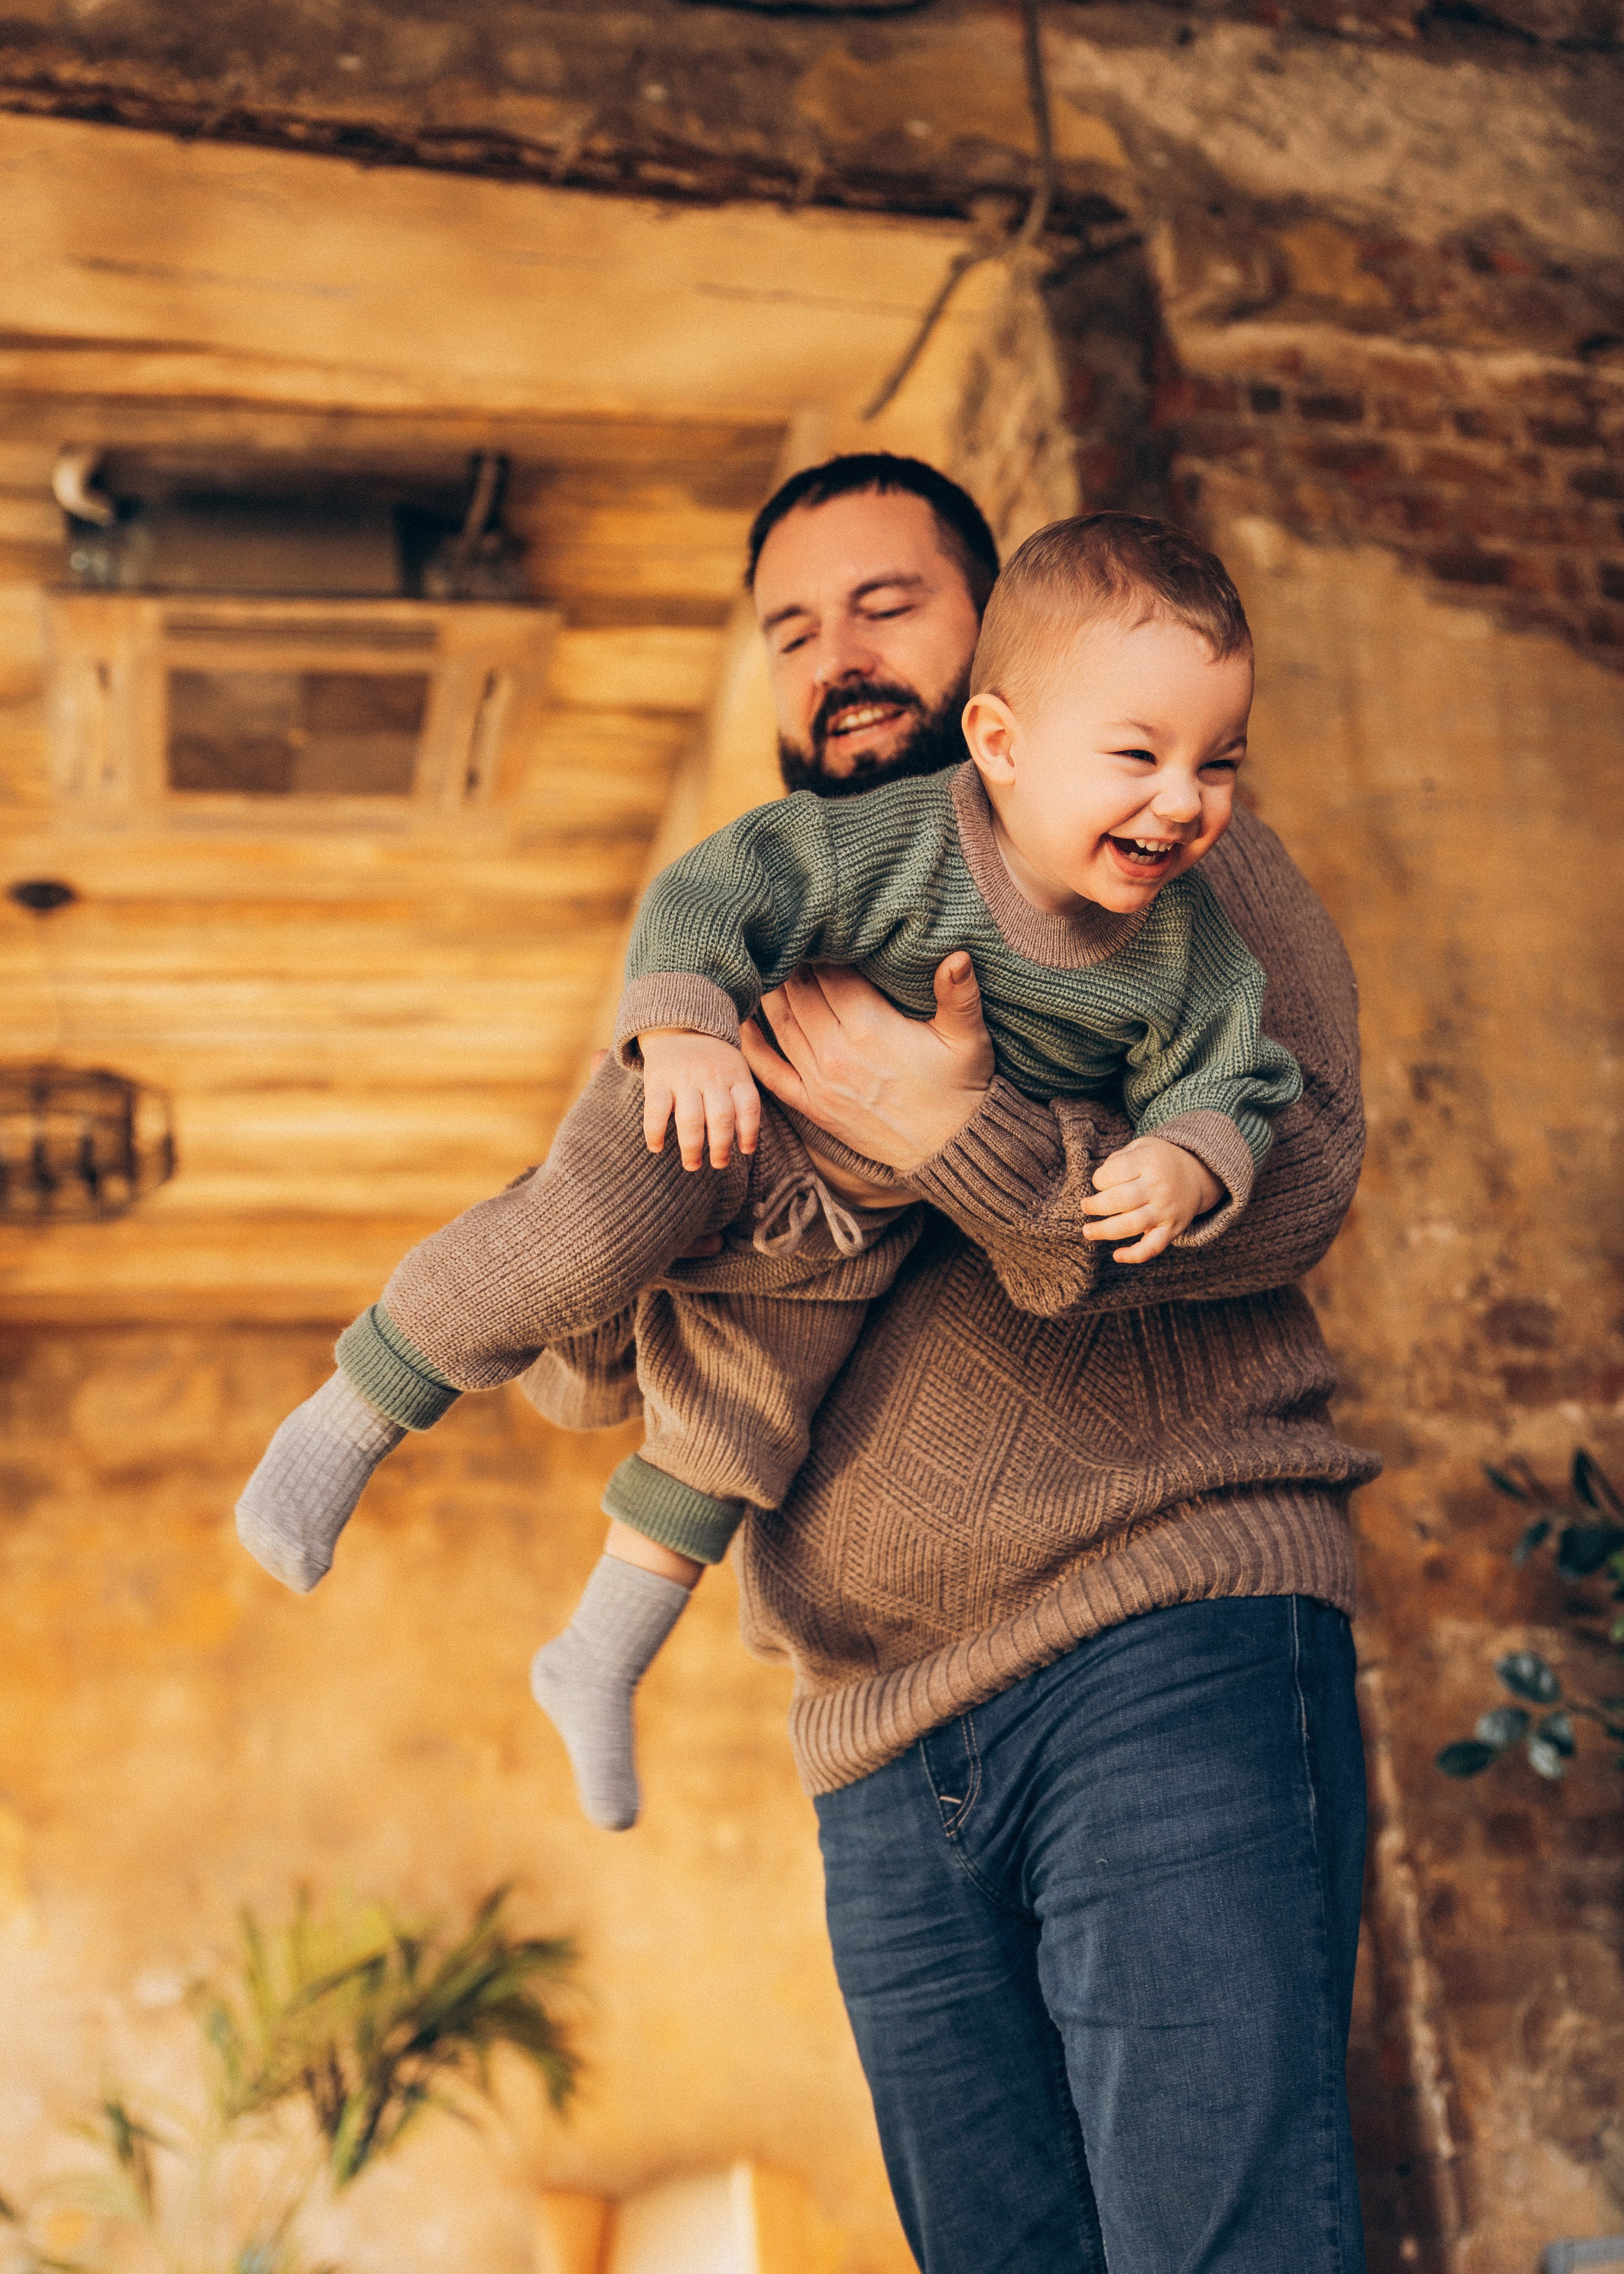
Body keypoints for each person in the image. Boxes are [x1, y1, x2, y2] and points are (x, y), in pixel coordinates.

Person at [246, 453, 1378, 2273]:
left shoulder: (1184, 875)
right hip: (871, 1737)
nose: (837, 658)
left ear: (997, 661)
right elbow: (582, 1369)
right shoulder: (748, 931)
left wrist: (956, 1132)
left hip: (1160, 1636)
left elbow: (1294, 1186)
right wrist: (755, 1179)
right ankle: (400, 1441)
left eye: (888, 605)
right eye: (792, 629)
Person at [236, 508, 1304, 1836]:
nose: (1183, 799)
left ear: (972, 636)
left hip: (852, 1236)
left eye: (1220, 763)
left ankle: (600, 1652)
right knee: (568, 1242)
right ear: (1002, 738)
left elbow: (1239, 1080)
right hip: (716, 1116)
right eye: (1141, 756)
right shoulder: (894, 838)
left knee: (741, 1420)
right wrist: (682, 1033)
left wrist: (1184, 1159)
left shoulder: (1197, 924)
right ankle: (344, 1416)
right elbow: (714, 890)